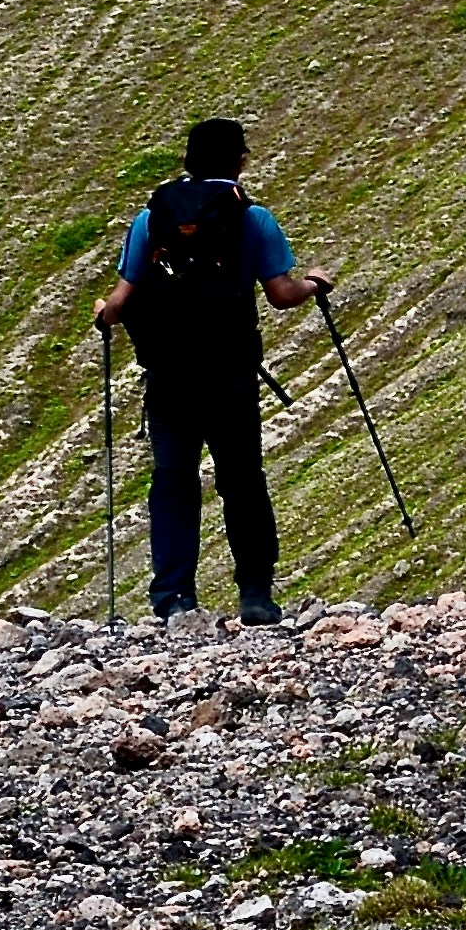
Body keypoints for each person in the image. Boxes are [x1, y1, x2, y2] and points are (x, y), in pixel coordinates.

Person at [90, 116, 333, 621]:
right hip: (231, 372)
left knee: (173, 478)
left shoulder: (150, 218)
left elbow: (120, 300)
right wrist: (315, 283)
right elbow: (282, 295)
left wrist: (103, 314)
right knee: (242, 479)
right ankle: (256, 596)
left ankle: (174, 598)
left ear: (187, 161)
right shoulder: (252, 218)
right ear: (239, 161)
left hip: (170, 374)